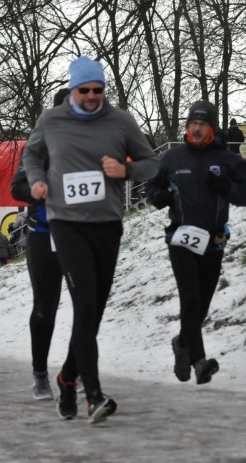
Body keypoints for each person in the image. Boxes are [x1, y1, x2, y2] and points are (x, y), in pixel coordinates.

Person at [22, 56, 159, 423]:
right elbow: (31, 153)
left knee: (93, 311)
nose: (93, 97)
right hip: (66, 223)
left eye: (99, 90)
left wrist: (126, 170)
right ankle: (93, 394)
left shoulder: (121, 121)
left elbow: (152, 162)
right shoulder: (52, 120)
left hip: (107, 223)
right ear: (72, 90)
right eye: (85, 91)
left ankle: (67, 379)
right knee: (84, 305)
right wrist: (37, 179)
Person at [145, 101, 246, 386]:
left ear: (212, 128)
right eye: (192, 124)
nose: (196, 129)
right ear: (187, 127)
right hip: (180, 238)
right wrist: (157, 198)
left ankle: (182, 343)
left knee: (202, 307)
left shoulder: (227, 159)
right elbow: (152, 186)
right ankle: (199, 361)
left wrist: (227, 189)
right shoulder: (172, 158)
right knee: (191, 299)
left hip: (213, 242)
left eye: (202, 125)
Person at [11, 87, 69, 400]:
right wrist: (38, 186)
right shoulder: (38, 147)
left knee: (87, 307)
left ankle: (77, 369)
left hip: (79, 235)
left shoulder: (90, 147)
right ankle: (40, 373)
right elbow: (18, 185)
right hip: (44, 235)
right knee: (45, 308)